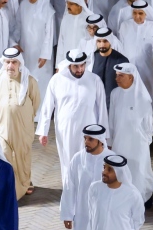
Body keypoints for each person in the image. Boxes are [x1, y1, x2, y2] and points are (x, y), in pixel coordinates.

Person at [37, 50, 109, 183]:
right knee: (68, 163)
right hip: (66, 130)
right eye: (76, 66)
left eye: (82, 65)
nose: (80, 69)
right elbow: (47, 106)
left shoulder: (94, 80)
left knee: (89, 162)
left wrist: (104, 135)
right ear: (69, 65)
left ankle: (88, 196)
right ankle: (69, 196)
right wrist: (43, 131)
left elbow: (102, 109)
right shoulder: (57, 80)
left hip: (90, 130)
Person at [0, 48, 42, 199]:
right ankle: (9, 188)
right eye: (7, 62)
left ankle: (25, 183)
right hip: (2, 128)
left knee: (22, 157)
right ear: (3, 62)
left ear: (20, 63)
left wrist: (22, 114)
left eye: (14, 62)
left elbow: (36, 102)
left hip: (23, 128)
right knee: (4, 156)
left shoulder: (29, 80)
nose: (10, 66)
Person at [109, 63, 153, 205]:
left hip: (138, 143)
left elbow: (148, 125)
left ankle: (142, 199)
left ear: (131, 78)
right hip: (119, 141)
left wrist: (144, 141)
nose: (117, 79)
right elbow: (112, 120)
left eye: (121, 76)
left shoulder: (142, 97)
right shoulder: (115, 94)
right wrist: (110, 142)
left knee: (139, 170)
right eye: (117, 75)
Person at [119, 0, 153, 137]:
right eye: (134, 13)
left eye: (140, 13)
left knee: (152, 99)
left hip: (148, 72)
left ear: (146, 14)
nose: (137, 16)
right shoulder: (124, 26)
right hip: (129, 71)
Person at [13, 0, 55, 101]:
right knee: (27, 80)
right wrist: (14, 42)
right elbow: (18, 25)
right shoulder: (23, 4)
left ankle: (41, 112)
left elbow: (49, 33)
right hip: (26, 50)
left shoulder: (47, 7)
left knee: (42, 81)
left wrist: (45, 54)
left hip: (41, 53)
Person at [91, 27, 129, 110]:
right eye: (99, 41)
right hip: (95, 106)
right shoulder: (91, 59)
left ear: (110, 41)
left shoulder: (122, 60)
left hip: (115, 106)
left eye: (105, 41)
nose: (102, 45)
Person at [55, 0, 94, 68]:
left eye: (71, 4)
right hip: (67, 61)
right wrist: (58, 65)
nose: (68, 6)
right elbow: (61, 43)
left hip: (84, 62)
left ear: (79, 5)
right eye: (67, 3)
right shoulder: (66, 19)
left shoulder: (90, 18)